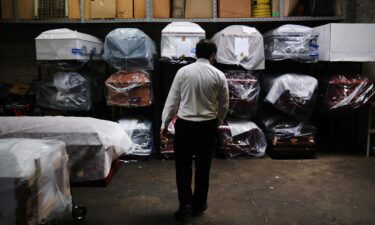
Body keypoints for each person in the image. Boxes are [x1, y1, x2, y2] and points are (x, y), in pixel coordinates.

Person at [160, 39, 229, 220]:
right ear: (213, 55)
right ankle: (199, 204)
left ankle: (185, 206)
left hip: (185, 126)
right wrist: (217, 121)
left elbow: (172, 101)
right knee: (203, 167)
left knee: (182, 167)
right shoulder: (219, 75)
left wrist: (164, 124)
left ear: (195, 53)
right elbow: (224, 105)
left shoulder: (183, 72)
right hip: (207, 127)